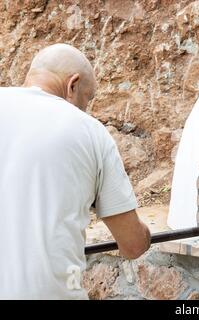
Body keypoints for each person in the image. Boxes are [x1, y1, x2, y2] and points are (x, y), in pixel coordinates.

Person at [0, 44, 151, 299]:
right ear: (73, 84)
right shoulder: (90, 132)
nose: (86, 108)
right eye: (87, 98)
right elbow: (133, 245)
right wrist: (145, 234)